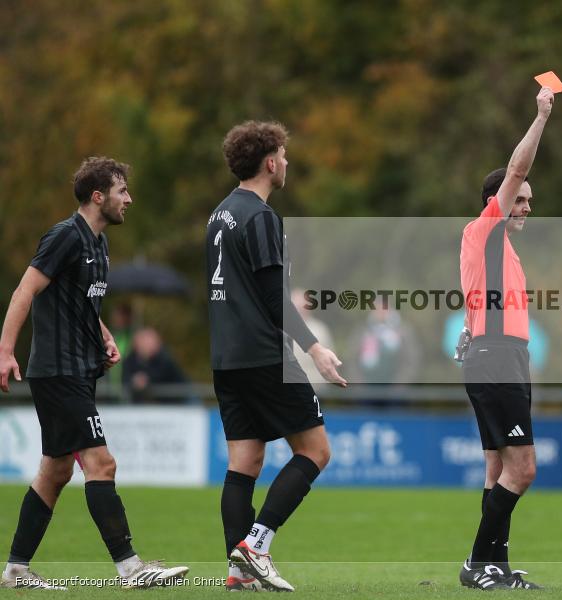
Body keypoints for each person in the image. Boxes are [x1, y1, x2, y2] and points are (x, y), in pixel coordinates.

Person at [0, 157, 188, 589]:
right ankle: (131, 569)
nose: (130, 199)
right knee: (101, 463)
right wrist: (6, 351)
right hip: (59, 372)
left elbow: (82, 303)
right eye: (123, 191)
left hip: (79, 371)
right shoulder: (65, 236)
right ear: (98, 197)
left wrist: (103, 334)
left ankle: (15, 571)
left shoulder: (99, 244)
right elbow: (25, 290)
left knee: (56, 471)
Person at [207, 121, 347, 592]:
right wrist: (315, 348)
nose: (287, 162)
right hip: (265, 355)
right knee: (316, 450)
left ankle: (236, 572)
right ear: (270, 162)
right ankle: (256, 546)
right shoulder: (261, 216)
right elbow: (274, 297)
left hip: (226, 358)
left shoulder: (219, 214)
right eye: (283, 155)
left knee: (244, 461)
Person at [456, 86, 554, 591]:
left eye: (529, 201)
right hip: (498, 362)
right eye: (520, 199)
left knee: (497, 470)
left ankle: (494, 566)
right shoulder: (485, 229)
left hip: (501, 358)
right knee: (524, 469)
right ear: (496, 203)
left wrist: (471, 332)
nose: (526, 207)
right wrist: (539, 117)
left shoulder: (500, 249)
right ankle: (478, 564)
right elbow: (514, 168)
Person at [121, 327, 191, 404]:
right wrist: (133, 381)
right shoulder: (129, 360)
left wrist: (145, 379)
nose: (150, 346)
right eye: (146, 343)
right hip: (152, 403)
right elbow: (125, 380)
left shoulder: (164, 358)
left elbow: (161, 375)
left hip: (181, 399)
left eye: (152, 342)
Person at [290, 288, 334, 385]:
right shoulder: (281, 329)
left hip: (316, 385)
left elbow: (330, 360)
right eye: (295, 305)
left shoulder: (320, 329)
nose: (299, 308)